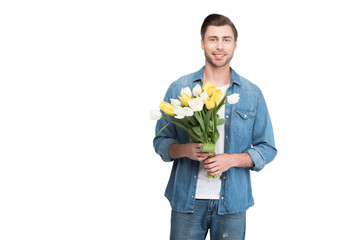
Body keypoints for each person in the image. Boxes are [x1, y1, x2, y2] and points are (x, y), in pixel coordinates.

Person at [153, 13, 277, 240]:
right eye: (213, 39)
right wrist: (185, 150)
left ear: (235, 45)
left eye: (226, 39)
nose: (219, 46)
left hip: (232, 204)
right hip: (186, 203)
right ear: (202, 43)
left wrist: (231, 160)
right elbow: (161, 141)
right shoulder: (179, 89)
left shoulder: (252, 94)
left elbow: (267, 148)